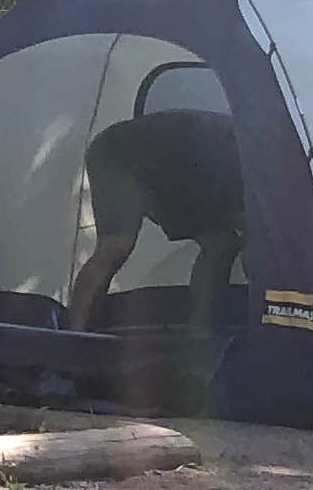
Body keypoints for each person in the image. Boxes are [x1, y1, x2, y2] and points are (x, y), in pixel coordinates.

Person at [66, 61, 244, 331]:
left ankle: (201, 331)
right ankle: (73, 334)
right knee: (116, 245)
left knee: (222, 243)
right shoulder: (253, 165)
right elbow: (259, 249)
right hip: (119, 155)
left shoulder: (254, 160)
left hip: (177, 173)